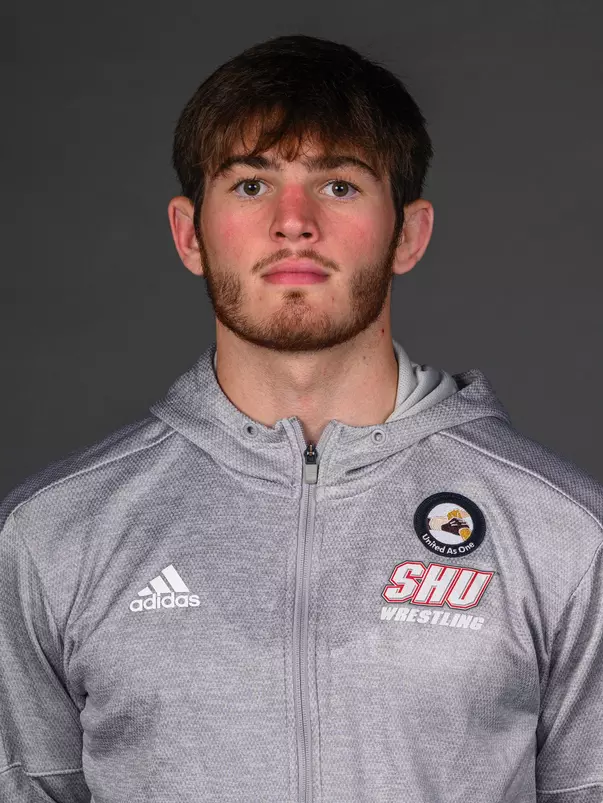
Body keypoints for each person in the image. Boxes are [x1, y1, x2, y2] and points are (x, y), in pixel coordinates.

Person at [0, 33, 601, 803]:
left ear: (407, 234)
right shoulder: (56, 533)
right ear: (189, 233)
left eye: (339, 185)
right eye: (250, 185)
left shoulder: (564, 534)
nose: (293, 221)